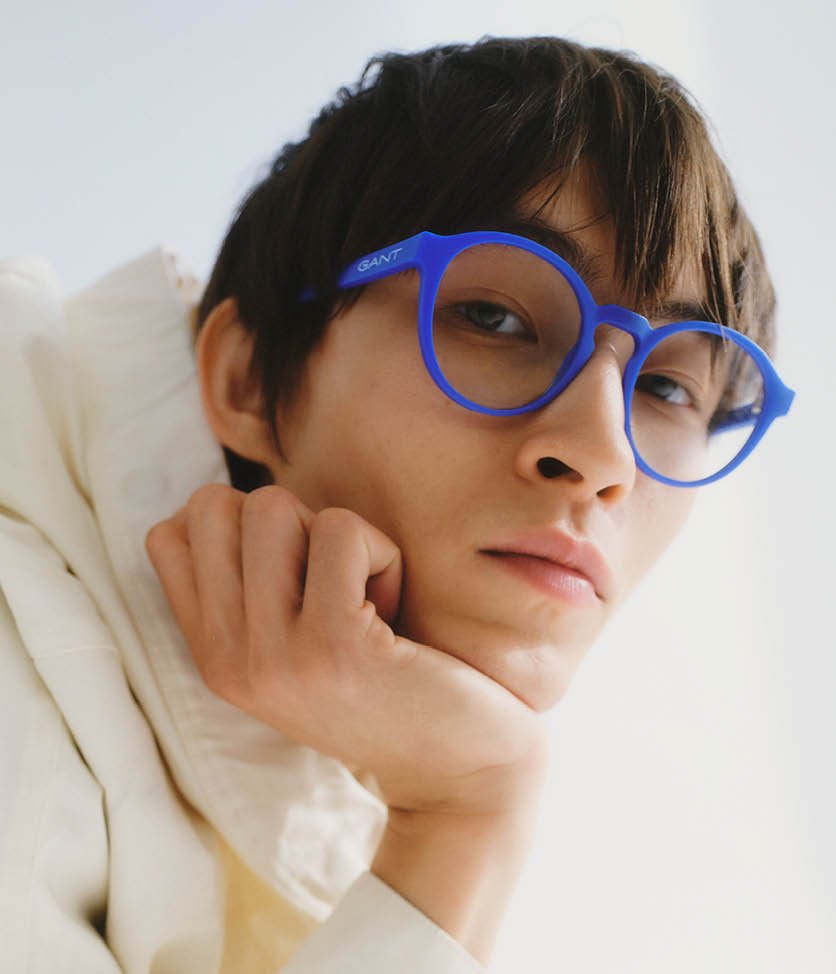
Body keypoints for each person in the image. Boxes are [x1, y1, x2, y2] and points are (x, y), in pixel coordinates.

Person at [0, 35, 793, 974]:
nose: (600, 455)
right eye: (495, 317)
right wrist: (467, 826)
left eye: (665, 387)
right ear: (252, 379)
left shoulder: (384, 750)